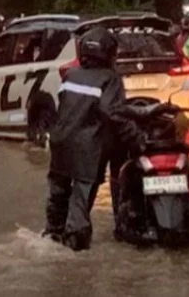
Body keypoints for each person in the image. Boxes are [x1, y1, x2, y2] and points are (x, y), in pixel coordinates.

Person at [44, 28, 143, 251]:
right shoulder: (110, 80)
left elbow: (63, 106)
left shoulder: (70, 75)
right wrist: (137, 139)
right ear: (109, 53)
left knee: (57, 201)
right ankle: (75, 256)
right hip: (87, 150)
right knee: (79, 207)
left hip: (60, 144)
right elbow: (114, 114)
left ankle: (52, 238)